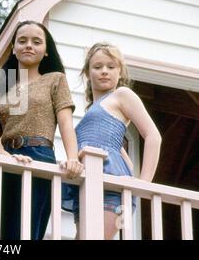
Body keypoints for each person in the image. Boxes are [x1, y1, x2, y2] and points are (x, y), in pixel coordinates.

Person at [0, 20, 84, 240]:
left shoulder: (55, 80)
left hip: (39, 157)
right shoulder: (0, 89)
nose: (28, 46)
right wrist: (4, 156)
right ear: (13, 48)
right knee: (2, 234)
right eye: (22, 41)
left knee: (26, 233)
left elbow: (65, 124)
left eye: (36, 42)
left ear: (45, 51)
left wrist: (73, 158)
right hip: (6, 159)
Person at [62, 42, 161, 240]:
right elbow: (122, 156)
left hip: (113, 192)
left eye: (111, 66)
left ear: (120, 72)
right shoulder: (92, 110)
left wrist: (143, 183)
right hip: (87, 186)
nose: (104, 71)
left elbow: (153, 136)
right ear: (88, 73)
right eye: (97, 67)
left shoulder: (122, 95)